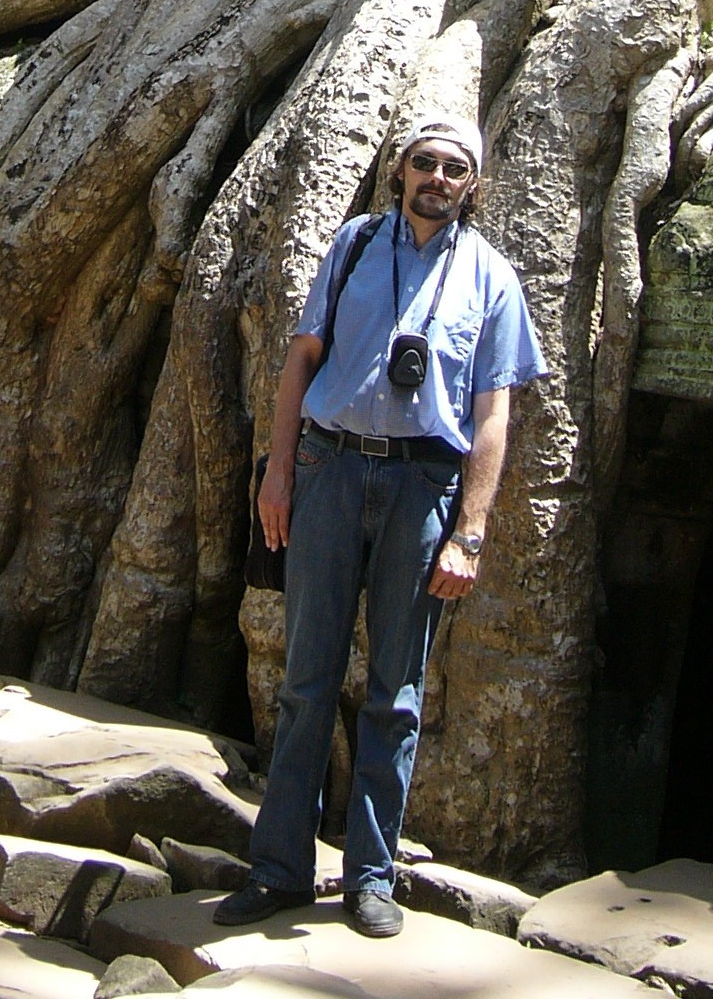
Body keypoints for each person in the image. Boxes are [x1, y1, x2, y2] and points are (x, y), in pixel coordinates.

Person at [214, 113, 548, 939]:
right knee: (305, 680)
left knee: (396, 691)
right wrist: (279, 471)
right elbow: (301, 360)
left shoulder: (491, 277)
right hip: (330, 469)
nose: (437, 178)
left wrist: (470, 530)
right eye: (424, 163)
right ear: (400, 172)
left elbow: (492, 410)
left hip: (422, 486)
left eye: (454, 169)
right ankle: (280, 869)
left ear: (474, 186)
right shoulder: (356, 245)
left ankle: (371, 877)